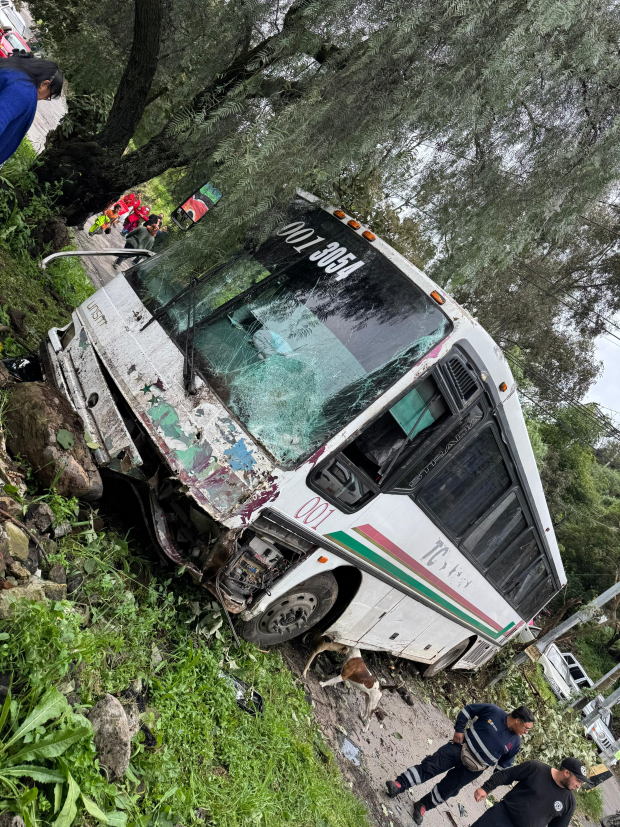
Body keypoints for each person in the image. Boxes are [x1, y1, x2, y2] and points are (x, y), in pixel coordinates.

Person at [386, 704, 535, 824]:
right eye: (526, 729)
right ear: (518, 721)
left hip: (474, 769)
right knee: (429, 766)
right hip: (459, 747)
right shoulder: (493, 711)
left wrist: (487, 787)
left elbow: (502, 769)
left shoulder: (515, 743)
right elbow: (467, 710)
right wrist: (459, 729)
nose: (526, 733)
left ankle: (423, 806)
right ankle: (399, 785)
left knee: (448, 789)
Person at [469, 757, 586, 827]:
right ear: (566, 773)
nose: (578, 786)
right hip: (500, 817)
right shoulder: (536, 769)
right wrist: (486, 788)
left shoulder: (570, 802)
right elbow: (507, 775)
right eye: (578, 781)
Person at [0, 56, 63, 166]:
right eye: (49, 95)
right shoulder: (24, 92)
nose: (45, 99)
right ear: (45, 84)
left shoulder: (14, 73)